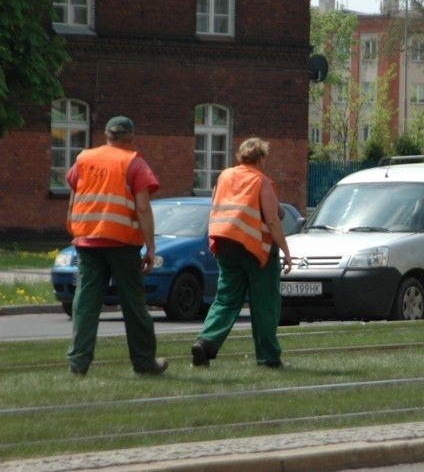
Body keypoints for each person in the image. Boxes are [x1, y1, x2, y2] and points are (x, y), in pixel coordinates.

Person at [65, 116, 168, 376]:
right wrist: (151, 247)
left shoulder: (84, 159)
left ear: (106, 135)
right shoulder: (134, 162)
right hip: (122, 243)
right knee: (133, 303)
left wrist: (73, 229)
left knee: (86, 301)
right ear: (130, 138)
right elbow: (142, 207)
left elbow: (74, 197)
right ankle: (144, 363)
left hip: (87, 241)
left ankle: (78, 364)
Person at [191, 138, 292, 368]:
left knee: (226, 299)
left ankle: (206, 343)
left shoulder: (224, 176)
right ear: (261, 158)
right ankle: (268, 358)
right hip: (255, 249)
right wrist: (286, 251)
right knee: (264, 304)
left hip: (225, 244)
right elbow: (273, 220)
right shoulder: (261, 181)